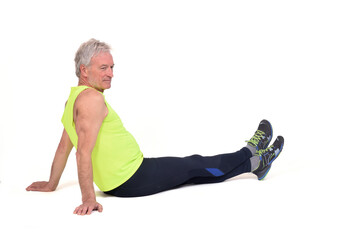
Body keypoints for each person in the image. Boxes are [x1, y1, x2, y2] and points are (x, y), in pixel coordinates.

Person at [26, 39, 285, 215]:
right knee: (195, 166)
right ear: (84, 70)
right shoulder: (92, 100)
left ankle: (252, 158)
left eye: (112, 67)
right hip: (133, 177)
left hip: (129, 175)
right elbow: (82, 152)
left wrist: (51, 183)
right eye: (103, 68)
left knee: (193, 172)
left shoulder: (74, 98)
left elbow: (64, 145)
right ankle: (252, 158)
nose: (111, 73)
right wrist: (88, 199)